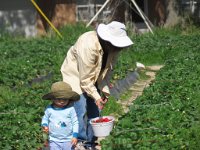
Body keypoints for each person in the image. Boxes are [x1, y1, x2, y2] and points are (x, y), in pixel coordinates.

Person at [60, 21, 133, 148]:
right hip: (76, 76)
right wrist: (97, 97)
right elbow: (84, 79)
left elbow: (107, 71)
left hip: (91, 78)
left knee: (94, 112)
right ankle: (80, 142)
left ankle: (90, 142)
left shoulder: (112, 50)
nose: (118, 49)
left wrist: (104, 91)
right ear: (107, 40)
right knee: (81, 108)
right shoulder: (88, 45)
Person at [41, 81, 80, 150]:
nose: (62, 101)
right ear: (53, 98)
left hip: (68, 140)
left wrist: (75, 136)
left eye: (65, 99)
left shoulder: (70, 109)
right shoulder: (49, 109)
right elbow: (45, 118)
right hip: (53, 139)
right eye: (59, 99)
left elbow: (75, 122)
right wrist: (45, 125)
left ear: (69, 99)